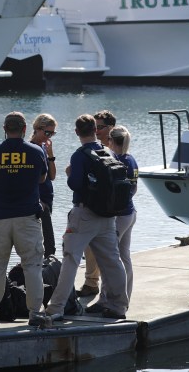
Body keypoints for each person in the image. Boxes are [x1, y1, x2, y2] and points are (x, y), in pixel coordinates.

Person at [45, 114, 128, 321]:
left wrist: (70, 172)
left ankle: (55, 308)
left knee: (70, 260)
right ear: (95, 130)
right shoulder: (107, 151)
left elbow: (74, 184)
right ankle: (119, 306)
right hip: (108, 215)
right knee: (112, 261)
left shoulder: (80, 155)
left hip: (84, 215)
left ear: (76, 132)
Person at [0, 112, 48, 326]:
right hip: (27, 217)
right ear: (25, 129)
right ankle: (35, 313)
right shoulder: (35, 151)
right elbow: (43, 178)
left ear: (4, 129)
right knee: (32, 266)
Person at [85, 126, 138, 313]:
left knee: (108, 260)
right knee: (124, 257)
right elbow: (133, 189)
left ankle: (106, 300)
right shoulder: (131, 160)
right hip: (130, 213)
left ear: (111, 141)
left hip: (118, 216)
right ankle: (125, 297)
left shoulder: (114, 160)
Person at [77, 109, 116, 297]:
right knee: (91, 248)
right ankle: (92, 282)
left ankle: (108, 293)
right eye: (96, 127)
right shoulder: (95, 148)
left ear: (111, 128)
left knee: (113, 254)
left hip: (112, 207)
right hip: (97, 205)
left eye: (100, 127)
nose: (97, 131)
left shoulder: (115, 147)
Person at [30, 113, 58, 258]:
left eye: (52, 133)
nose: (49, 136)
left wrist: (51, 155)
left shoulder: (43, 148)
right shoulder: (30, 149)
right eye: (47, 132)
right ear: (37, 129)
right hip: (38, 202)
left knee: (47, 245)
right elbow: (29, 180)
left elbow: (52, 176)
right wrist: (38, 201)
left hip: (47, 199)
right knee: (48, 246)